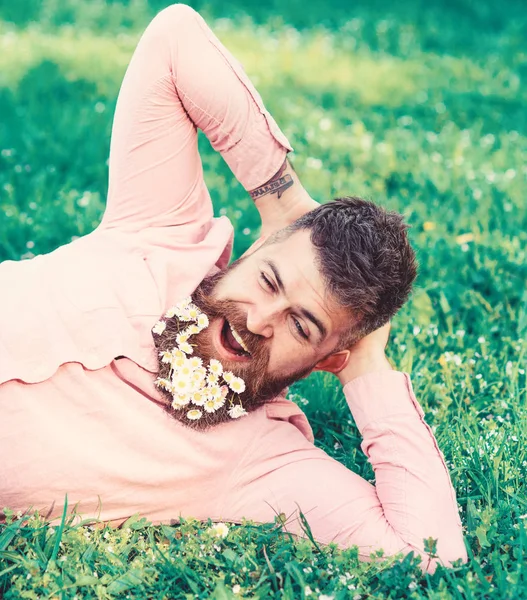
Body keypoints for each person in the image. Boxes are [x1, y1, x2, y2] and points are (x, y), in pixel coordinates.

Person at [0, 3, 466, 571]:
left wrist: (369, 370)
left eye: (303, 325)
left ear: (327, 359)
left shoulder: (261, 460)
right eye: (269, 280)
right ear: (255, 250)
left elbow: (430, 555)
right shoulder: (162, 228)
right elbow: (173, 39)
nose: (261, 319)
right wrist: (283, 201)